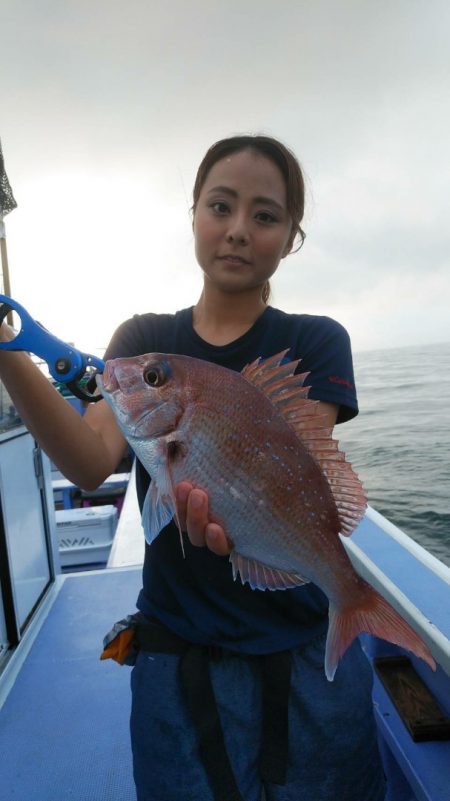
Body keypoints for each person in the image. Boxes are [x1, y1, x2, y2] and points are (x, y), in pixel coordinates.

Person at [0, 135, 386, 801]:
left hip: (298, 645)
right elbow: (92, 462)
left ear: (292, 235)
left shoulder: (317, 339)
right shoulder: (142, 338)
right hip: (178, 657)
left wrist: (245, 506)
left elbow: (303, 471)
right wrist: (8, 351)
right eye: (220, 206)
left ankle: (355, 606)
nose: (237, 230)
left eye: (265, 216)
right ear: (193, 214)